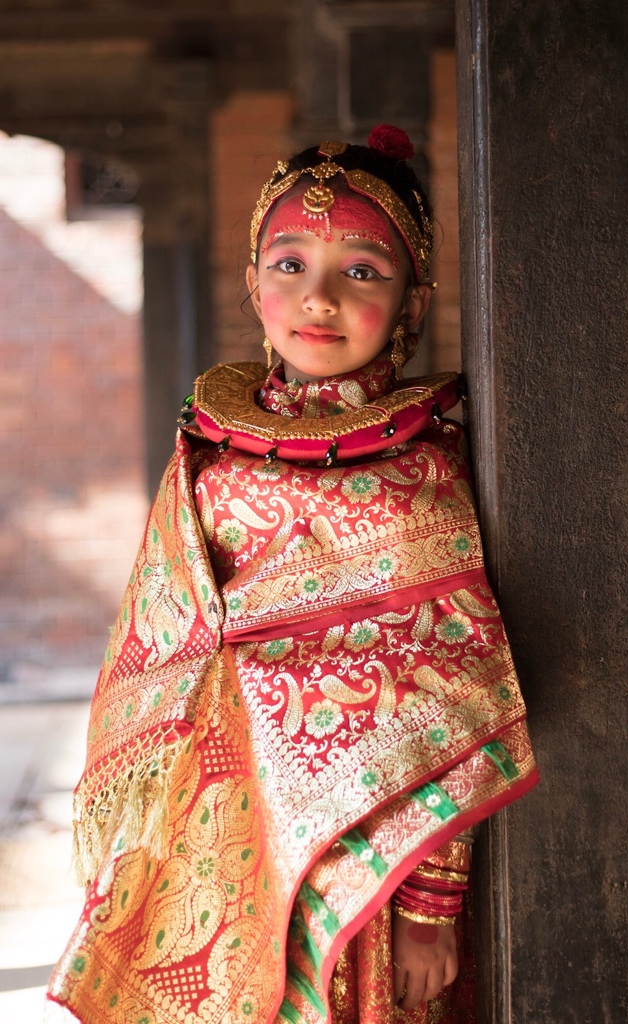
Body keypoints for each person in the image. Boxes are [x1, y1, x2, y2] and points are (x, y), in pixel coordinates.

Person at [47, 125, 538, 1024]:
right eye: (289, 265)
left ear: (413, 301)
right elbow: (160, 666)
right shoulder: (206, 463)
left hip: (372, 873)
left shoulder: (427, 475)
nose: (317, 299)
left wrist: (432, 905)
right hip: (219, 853)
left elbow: (453, 703)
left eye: (360, 272)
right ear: (251, 284)